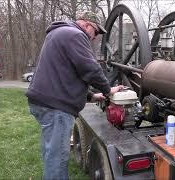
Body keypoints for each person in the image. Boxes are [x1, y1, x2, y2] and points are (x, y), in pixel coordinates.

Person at [26, 12, 123, 179]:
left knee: (51, 153)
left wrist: (92, 96)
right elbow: (90, 69)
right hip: (56, 107)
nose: (94, 37)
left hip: (43, 102)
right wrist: (108, 90)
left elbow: (67, 75)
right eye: (96, 32)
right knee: (58, 159)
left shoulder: (60, 33)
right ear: (86, 25)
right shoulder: (75, 35)